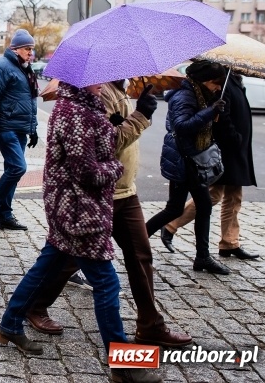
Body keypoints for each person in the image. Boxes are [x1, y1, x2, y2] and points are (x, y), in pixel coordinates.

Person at [0, 82, 161, 383]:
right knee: (107, 285)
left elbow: (96, 144)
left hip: (71, 207)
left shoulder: (81, 108)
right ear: (84, 81)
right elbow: (89, 172)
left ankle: (10, 324)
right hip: (79, 211)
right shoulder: (76, 113)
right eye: (98, 79)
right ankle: (124, 367)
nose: (103, 83)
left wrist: (123, 122)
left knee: (45, 268)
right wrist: (115, 168)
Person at [25, 81, 192, 349]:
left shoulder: (114, 90)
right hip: (99, 195)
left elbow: (113, 135)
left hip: (125, 190)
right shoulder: (93, 94)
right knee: (74, 261)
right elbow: (106, 146)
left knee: (140, 256)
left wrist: (130, 117)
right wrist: (141, 116)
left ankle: (150, 326)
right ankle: (32, 309)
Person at [162, 71, 258, 260]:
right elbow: (222, 118)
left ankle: (230, 242)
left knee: (233, 196)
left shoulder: (234, 80)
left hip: (236, 149)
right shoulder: (225, 82)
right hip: (228, 149)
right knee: (212, 195)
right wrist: (235, 138)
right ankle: (170, 225)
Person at [145, 61, 229, 275]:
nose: (218, 87)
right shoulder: (185, 95)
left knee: (178, 207)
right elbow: (182, 127)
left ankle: (201, 256)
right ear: (205, 81)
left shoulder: (197, 93)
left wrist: (212, 109)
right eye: (215, 83)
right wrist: (210, 112)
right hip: (185, 159)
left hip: (189, 158)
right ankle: (202, 257)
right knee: (197, 205)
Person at [0, 28, 39, 231]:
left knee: (12, 170)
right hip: (5, 127)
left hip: (20, 129)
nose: (30, 53)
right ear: (15, 49)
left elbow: (29, 102)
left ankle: (5, 214)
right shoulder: (1, 66)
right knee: (18, 168)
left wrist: (33, 129)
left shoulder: (25, 69)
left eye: (31, 49)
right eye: (27, 49)